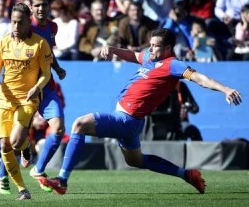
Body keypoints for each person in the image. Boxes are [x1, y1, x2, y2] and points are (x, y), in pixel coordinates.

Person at [39, 28, 242, 195]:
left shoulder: (173, 64)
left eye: (156, 46)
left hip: (126, 119)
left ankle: (62, 180)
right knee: (136, 160)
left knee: (79, 124)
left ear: (168, 48)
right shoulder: (150, 58)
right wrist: (113, 49)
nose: (151, 49)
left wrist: (225, 89)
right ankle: (186, 174)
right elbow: (134, 55)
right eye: (151, 44)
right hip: (132, 122)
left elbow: (199, 78)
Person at [0, 2, 53, 200]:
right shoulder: (3, 43)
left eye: (20, 23)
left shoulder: (39, 44)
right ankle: (22, 189)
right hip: (4, 98)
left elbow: (46, 73)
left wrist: (37, 87)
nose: (16, 27)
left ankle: (25, 146)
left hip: (27, 99)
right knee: (5, 146)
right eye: (13, 23)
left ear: (28, 22)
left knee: (16, 141)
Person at [0, 0, 67, 195]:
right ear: (31, 8)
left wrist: (57, 68)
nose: (40, 8)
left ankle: (38, 169)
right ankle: (2, 174)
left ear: (49, 6)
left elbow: (48, 53)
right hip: (22, 93)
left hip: (45, 88)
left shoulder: (52, 27)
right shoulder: (24, 26)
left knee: (59, 128)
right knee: (13, 140)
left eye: (44, 4)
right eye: (36, 5)